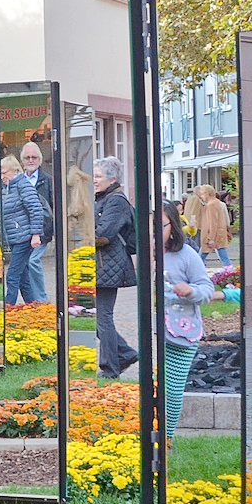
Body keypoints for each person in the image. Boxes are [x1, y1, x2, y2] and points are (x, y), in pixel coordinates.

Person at [160, 200, 215, 448]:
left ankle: (167, 438)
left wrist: (190, 291)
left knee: (172, 389)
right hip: (153, 332)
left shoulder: (186, 255)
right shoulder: (143, 252)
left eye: (160, 226)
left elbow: (207, 288)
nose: (154, 233)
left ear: (173, 226)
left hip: (182, 332)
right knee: (155, 389)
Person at [91, 157, 139, 378]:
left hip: (109, 264)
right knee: (100, 316)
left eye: (98, 176)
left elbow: (103, 234)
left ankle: (110, 368)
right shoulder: (103, 198)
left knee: (103, 317)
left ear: (113, 178)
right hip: (103, 264)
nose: (94, 180)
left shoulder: (116, 200)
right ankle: (125, 353)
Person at [0, 155, 46, 307]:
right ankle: (33, 308)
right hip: (16, 237)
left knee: (12, 275)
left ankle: (8, 307)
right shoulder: (8, 188)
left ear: (15, 171)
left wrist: (36, 234)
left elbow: (36, 209)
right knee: (23, 277)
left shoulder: (23, 186)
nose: (2, 176)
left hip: (24, 238)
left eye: (5, 172)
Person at [17, 141, 55, 302]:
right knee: (23, 265)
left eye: (34, 157)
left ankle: (41, 298)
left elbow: (53, 207)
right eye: (27, 158)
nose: (31, 160)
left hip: (41, 231)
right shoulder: (17, 181)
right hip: (22, 231)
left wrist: (51, 231)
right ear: (22, 161)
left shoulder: (48, 180)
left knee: (32, 261)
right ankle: (30, 300)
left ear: (39, 160)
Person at [188, 183, 232, 266]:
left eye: (202, 194)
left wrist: (211, 238)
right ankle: (229, 271)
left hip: (211, 236)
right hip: (217, 234)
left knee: (202, 256)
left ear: (207, 193)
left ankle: (229, 271)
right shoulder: (216, 202)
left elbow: (213, 222)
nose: (201, 196)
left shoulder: (211, 205)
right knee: (222, 255)